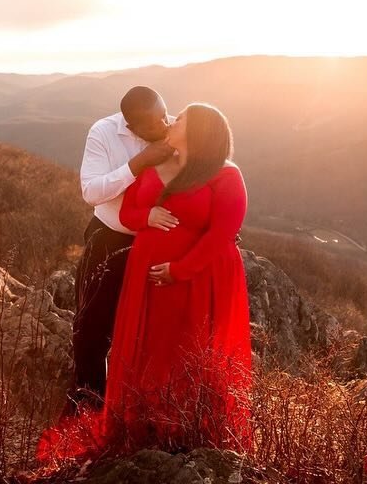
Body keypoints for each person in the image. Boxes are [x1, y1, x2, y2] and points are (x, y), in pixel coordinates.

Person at [39, 103, 253, 461]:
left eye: (180, 118)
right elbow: (126, 213)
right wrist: (148, 215)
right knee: (149, 351)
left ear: (199, 131)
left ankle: (187, 430)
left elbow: (223, 234)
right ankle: (144, 426)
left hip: (195, 280)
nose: (172, 121)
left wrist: (180, 270)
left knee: (186, 350)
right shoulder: (153, 165)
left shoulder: (225, 175)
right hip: (147, 281)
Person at [67, 86, 175, 416]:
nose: (165, 123)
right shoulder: (103, 133)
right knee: (93, 328)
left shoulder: (174, 131)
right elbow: (91, 191)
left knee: (148, 330)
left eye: (165, 113)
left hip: (157, 242)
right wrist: (138, 163)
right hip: (111, 239)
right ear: (133, 126)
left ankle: (139, 406)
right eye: (156, 122)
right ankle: (89, 406)